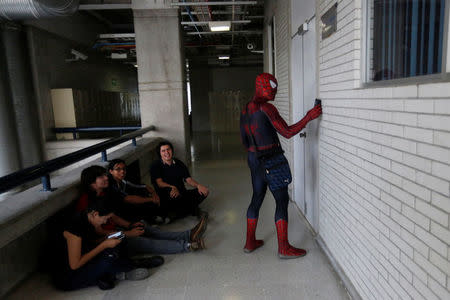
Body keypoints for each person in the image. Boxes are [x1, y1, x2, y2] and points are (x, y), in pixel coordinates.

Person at [240, 73, 322, 259]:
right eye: (272, 86)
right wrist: (309, 116)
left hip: (254, 159)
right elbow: (287, 132)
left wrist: (256, 152)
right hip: (272, 159)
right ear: (263, 86)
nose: (275, 90)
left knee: (256, 198)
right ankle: (284, 248)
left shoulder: (246, 109)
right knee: (281, 201)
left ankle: (249, 242)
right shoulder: (266, 108)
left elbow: (244, 140)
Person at [76, 165, 208, 257]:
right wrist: (127, 233)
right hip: (105, 241)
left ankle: (188, 235)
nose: (106, 178)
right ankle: (187, 246)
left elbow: (113, 216)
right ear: (91, 183)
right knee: (144, 242)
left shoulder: (103, 194)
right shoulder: (86, 202)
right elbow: (100, 233)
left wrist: (130, 225)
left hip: (116, 231)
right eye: (101, 177)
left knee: (147, 229)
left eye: (105, 175)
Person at [53, 202, 150, 291]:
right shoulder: (74, 230)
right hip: (69, 277)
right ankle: (120, 272)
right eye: (105, 218)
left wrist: (107, 238)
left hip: (85, 260)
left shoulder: (87, 218)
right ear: (95, 214)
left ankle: (123, 269)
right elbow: (75, 265)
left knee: (118, 242)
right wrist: (104, 245)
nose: (105, 222)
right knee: (109, 255)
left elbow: (90, 243)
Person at [150, 141, 209, 223]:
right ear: (160, 153)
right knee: (175, 195)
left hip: (182, 193)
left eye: (168, 149)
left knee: (203, 192)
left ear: (172, 150)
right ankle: (193, 210)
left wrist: (198, 185)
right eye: (163, 151)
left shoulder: (178, 163)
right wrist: (172, 187)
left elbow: (188, 179)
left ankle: (175, 214)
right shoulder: (155, 165)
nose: (166, 152)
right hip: (167, 195)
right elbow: (159, 183)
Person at [107, 159, 161, 223]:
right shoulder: (110, 184)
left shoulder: (123, 179)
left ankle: (151, 218)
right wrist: (151, 199)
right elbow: (128, 199)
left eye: (124, 168)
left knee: (143, 193)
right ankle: (144, 221)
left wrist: (154, 194)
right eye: (118, 169)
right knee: (139, 201)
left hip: (124, 207)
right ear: (111, 171)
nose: (122, 171)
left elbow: (144, 186)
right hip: (115, 214)